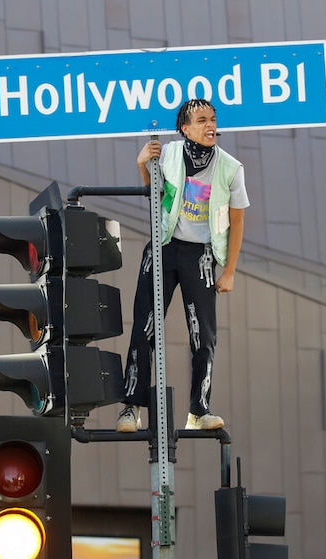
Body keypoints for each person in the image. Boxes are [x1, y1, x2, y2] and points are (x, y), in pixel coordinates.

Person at [115, 99, 249, 432]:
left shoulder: (230, 168)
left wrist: (229, 271)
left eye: (213, 119)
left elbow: (237, 221)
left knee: (203, 335)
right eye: (201, 120)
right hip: (162, 247)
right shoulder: (169, 153)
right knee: (144, 327)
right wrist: (143, 165)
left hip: (200, 255)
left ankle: (199, 410)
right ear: (185, 128)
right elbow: (155, 194)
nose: (210, 126)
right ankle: (131, 407)